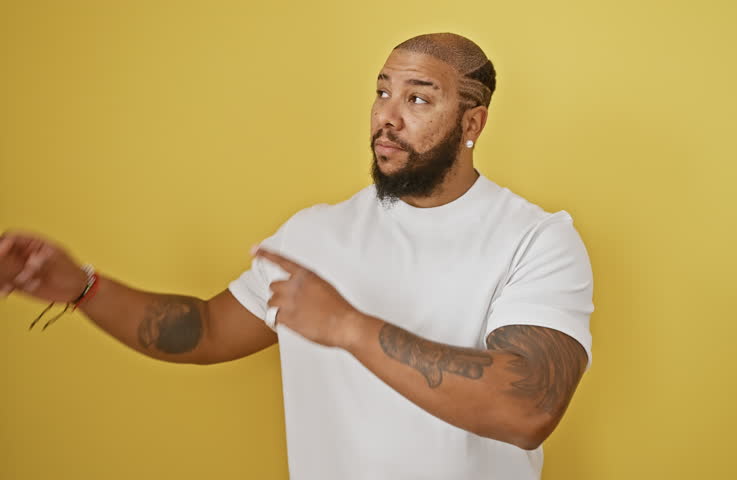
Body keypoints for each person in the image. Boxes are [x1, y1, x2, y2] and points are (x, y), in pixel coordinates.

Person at [0, 32, 594, 480]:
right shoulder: (317, 233)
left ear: (473, 122)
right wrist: (80, 287)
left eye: (417, 98)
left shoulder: (536, 238)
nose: (387, 115)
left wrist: (346, 326)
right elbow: (204, 331)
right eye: (383, 91)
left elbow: (529, 407)